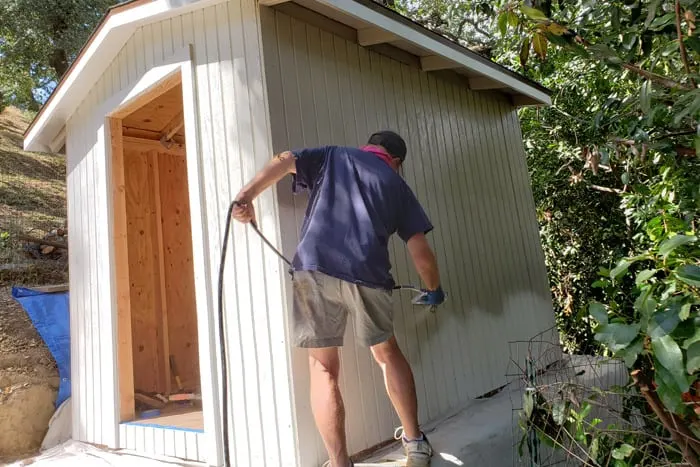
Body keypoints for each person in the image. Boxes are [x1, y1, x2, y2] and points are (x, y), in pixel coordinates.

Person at [232, 131, 446, 467]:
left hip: (312, 270)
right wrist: (434, 290)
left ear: (368, 146)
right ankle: (415, 443)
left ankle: (339, 462)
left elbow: (284, 159)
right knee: (387, 354)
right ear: (397, 161)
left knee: (323, 367)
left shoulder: (333, 155)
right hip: (367, 274)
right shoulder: (395, 183)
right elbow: (421, 254)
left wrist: (245, 196)